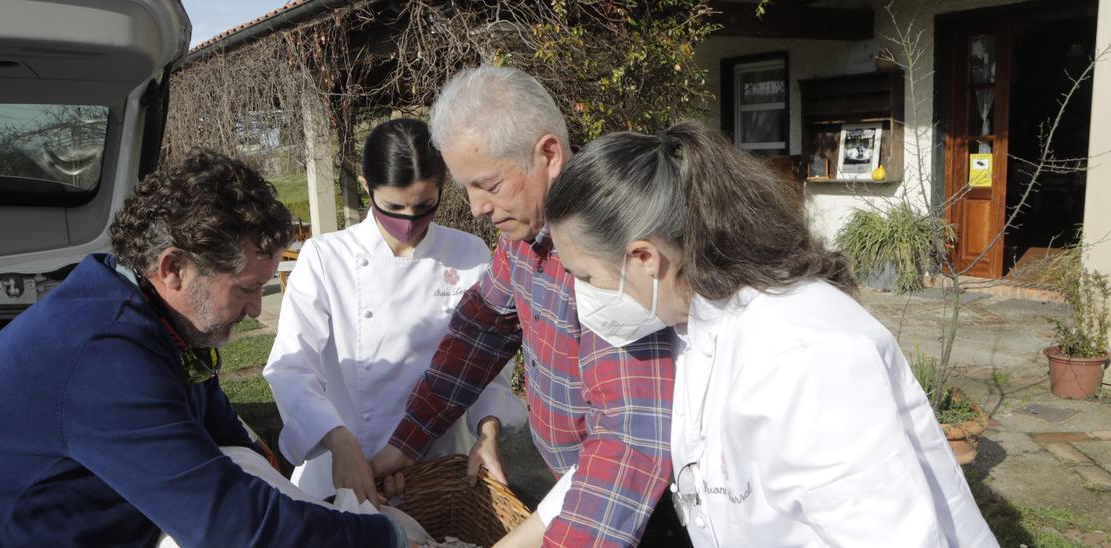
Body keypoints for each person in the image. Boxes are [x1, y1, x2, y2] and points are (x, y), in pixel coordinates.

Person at [0, 148, 416, 547]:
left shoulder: (154, 315)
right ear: (173, 268)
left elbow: (230, 442)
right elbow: (231, 527)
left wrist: (322, 509)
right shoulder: (103, 356)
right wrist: (384, 537)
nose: (254, 311)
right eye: (244, 289)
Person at [531, 120, 997, 546]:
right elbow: (629, 441)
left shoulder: (801, 355)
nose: (580, 296)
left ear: (644, 259)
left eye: (587, 278)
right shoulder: (689, 323)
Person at [370, 66, 685, 547]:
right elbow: (482, 328)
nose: (476, 207)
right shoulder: (522, 237)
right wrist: (407, 440)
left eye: (489, 186)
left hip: (632, 514)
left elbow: (629, 443)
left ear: (549, 155)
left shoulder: (603, 248)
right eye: (467, 188)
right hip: (570, 486)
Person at [263, 118, 525, 505]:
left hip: (441, 467)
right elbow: (292, 367)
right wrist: (340, 442)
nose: (408, 222)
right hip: (345, 467)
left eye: (424, 206)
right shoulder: (325, 258)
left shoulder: (468, 255)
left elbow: (486, 369)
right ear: (367, 186)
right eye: (393, 207)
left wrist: (488, 431)